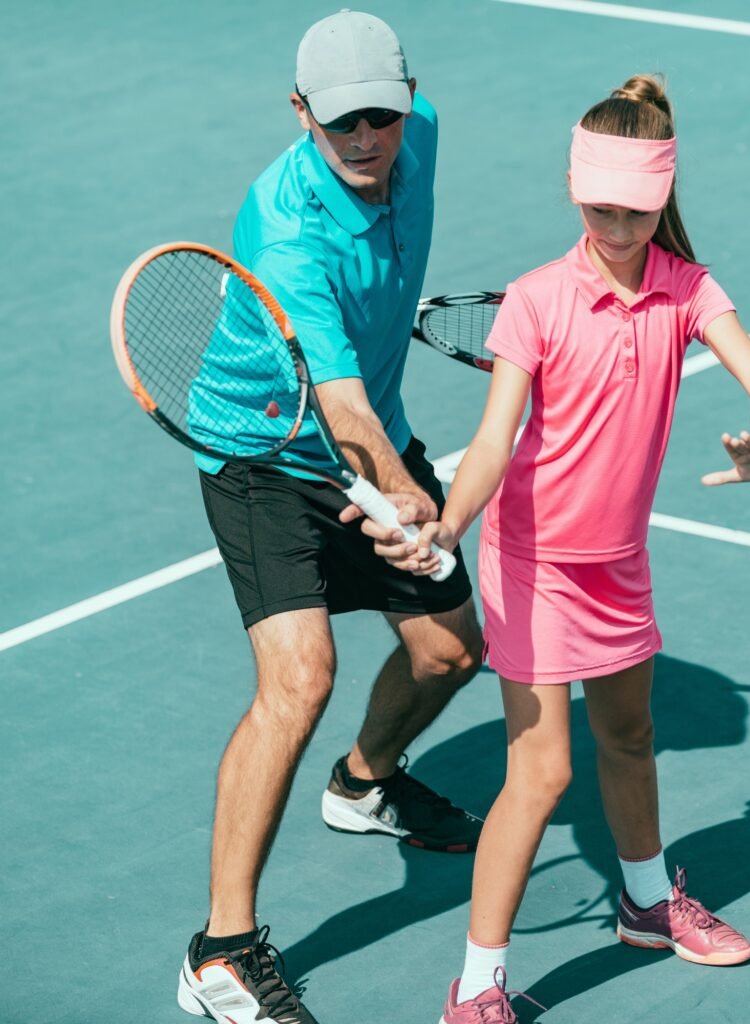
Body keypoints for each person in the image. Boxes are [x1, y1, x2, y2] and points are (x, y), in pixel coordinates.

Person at [392, 74, 750, 1021]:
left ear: (662, 199)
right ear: (576, 191)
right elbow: (494, 441)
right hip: (531, 564)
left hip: (616, 563)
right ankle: (478, 988)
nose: (616, 228)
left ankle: (649, 904)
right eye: (600, 207)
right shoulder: (535, 300)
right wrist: (449, 525)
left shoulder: (688, 288)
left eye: (636, 211)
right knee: (543, 772)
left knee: (630, 736)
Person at [175, 11, 484, 1024]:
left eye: (380, 117)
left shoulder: (419, 128)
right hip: (267, 455)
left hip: (369, 431)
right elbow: (340, 407)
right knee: (300, 677)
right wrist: (402, 496)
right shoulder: (283, 223)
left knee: (450, 652)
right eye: (340, 119)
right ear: (300, 110)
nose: (364, 138)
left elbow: (364, 412)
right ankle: (220, 950)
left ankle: (363, 784)